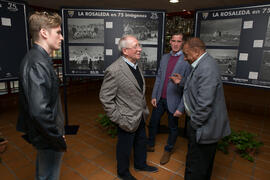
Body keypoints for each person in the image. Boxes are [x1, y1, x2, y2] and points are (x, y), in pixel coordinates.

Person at [170, 37, 231, 180]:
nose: (184, 58)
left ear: (196, 51)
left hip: (203, 127)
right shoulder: (202, 63)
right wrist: (182, 81)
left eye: (186, 54)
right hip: (202, 125)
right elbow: (198, 86)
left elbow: (205, 104)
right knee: (203, 165)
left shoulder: (206, 68)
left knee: (195, 167)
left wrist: (194, 125)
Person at [99, 35, 158, 180]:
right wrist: (119, 119)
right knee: (124, 148)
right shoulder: (114, 70)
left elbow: (138, 90)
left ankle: (140, 164)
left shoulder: (137, 65)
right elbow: (105, 98)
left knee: (141, 142)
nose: (140, 49)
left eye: (139, 46)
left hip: (140, 115)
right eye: (136, 46)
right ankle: (123, 172)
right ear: (125, 51)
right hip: (126, 119)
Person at [16, 11, 66, 180]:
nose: (62, 37)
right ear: (44, 33)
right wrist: (57, 137)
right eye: (58, 32)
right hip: (48, 137)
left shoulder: (38, 59)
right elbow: (39, 111)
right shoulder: (37, 62)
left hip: (47, 134)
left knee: (45, 173)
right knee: (48, 176)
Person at [147, 32, 191, 165]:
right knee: (152, 123)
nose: (176, 44)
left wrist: (181, 107)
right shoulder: (165, 58)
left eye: (179, 41)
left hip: (174, 101)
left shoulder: (187, 60)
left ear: (182, 43)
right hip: (160, 98)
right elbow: (159, 78)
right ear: (170, 42)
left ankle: (168, 149)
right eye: (173, 41)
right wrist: (154, 95)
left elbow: (188, 87)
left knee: (173, 128)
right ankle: (150, 144)